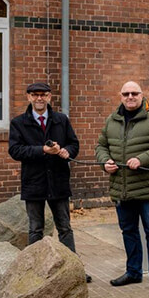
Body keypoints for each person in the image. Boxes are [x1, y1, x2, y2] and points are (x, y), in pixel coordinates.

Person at [8, 82, 90, 282]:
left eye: (43, 95)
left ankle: (73, 270)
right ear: (28, 97)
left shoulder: (61, 120)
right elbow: (15, 150)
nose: (39, 98)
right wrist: (42, 150)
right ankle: (35, 271)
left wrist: (67, 151)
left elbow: (74, 143)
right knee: (35, 228)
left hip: (58, 180)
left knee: (65, 227)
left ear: (49, 97)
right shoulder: (19, 123)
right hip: (34, 181)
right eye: (35, 95)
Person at [98, 80, 149, 292]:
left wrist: (142, 158)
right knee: (128, 231)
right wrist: (105, 162)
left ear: (142, 95)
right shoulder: (112, 120)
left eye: (134, 93)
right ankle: (133, 272)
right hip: (121, 188)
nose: (130, 97)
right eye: (126, 94)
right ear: (120, 96)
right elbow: (101, 146)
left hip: (148, 188)